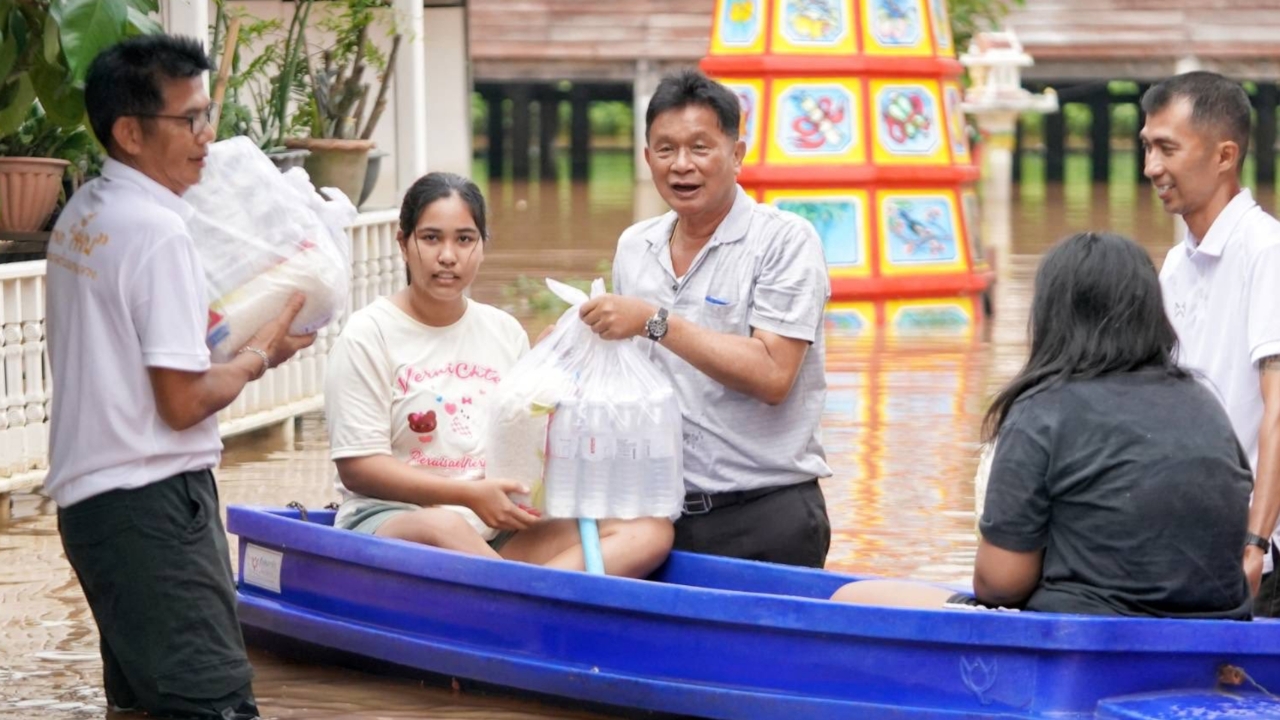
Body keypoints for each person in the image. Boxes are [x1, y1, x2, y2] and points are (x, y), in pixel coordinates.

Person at [46, 35, 315, 719]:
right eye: (188, 119)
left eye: (206, 115)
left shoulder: (84, 214)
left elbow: (134, 358)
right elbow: (181, 401)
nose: (206, 136)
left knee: (141, 705)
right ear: (130, 132)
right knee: (214, 703)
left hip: (94, 509)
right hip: (152, 506)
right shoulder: (157, 232)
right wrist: (262, 354)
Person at [831, 232, 1253, 619]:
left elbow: (1000, 583)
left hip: (1082, 634)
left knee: (852, 597)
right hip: (1217, 630)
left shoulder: (1043, 409)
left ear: (1053, 317)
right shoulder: (1204, 403)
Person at [324, 172, 673, 578]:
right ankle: (528, 596)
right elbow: (359, 468)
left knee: (647, 528)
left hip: (493, 527)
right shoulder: (368, 334)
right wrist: (468, 495)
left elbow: (522, 439)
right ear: (404, 244)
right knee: (443, 526)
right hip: (397, 522)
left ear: (482, 246)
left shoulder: (503, 331)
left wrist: (553, 379)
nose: (448, 256)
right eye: (431, 238)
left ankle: (523, 596)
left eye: (465, 239)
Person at [578, 69, 832, 568]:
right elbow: (628, 378)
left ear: (736, 154)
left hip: (765, 512)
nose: (682, 165)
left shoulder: (785, 240)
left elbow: (773, 375)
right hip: (655, 517)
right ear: (646, 158)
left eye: (700, 147)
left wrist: (654, 320)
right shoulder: (635, 246)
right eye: (666, 149)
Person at [1141, 71, 1280, 615]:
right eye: (1147, 148)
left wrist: (1255, 543)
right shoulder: (1177, 263)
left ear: (1225, 155)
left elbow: (1278, 410)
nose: (1152, 167)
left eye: (1167, 148)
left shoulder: (1266, 251)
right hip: (1196, 546)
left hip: (1260, 555)